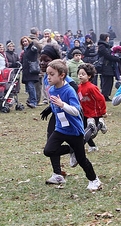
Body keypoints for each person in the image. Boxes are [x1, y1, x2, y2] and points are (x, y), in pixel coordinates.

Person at [43, 59, 101, 191]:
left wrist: (62, 105)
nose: (48, 77)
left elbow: (76, 111)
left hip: (74, 131)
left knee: (81, 160)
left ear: (62, 75)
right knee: (48, 150)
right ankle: (71, 150)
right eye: (47, 74)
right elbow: (55, 107)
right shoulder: (51, 90)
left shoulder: (69, 90)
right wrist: (51, 108)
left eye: (52, 74)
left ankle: (94, 180)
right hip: (60, 129)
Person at [77, 63, 107, 152]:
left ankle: (100, 124)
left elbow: (101, 99)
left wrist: (103, 112)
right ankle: (92, 146)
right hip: (84, 113)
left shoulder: (92, 88)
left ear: (89, 76)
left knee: (92, 132)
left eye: (83, 74)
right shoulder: (78, 87)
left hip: (94, 113)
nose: (80, 76)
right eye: (79, 74)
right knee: (83, 130)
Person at [98, 33, 121, 101]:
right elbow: (107, 56)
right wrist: (116, 59)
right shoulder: (102, 46)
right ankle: (104, 95)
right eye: (108, 37)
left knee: (110, 81)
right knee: (107, 81)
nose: (108, 38)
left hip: (109, 66)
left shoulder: (105, 46)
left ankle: (107, 95)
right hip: (105, 66)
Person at [19, 36, 39, 108]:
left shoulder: (32, 48)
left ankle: (33, 102)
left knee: (31, 87)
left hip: (31, 71)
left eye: (25, 41)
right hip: (26, 71)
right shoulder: (24, 51)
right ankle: (31, 100)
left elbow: (35, 51)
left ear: (28, 41)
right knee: (28, 88)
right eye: (23, 42)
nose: (24, 43)